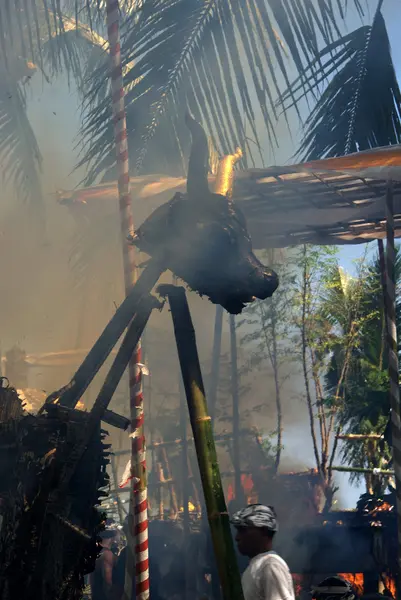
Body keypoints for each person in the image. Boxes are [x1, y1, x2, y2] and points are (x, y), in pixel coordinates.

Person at [231, 503, 295, 600]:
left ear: (264, 531)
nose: (237, 537)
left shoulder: (270, 565)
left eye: (243, 530)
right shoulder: (257, 565)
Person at [90, 528, 119, 600]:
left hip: (96, 594)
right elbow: (107, 580)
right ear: (111, 538)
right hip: (104, 596)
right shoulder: (107, 554)